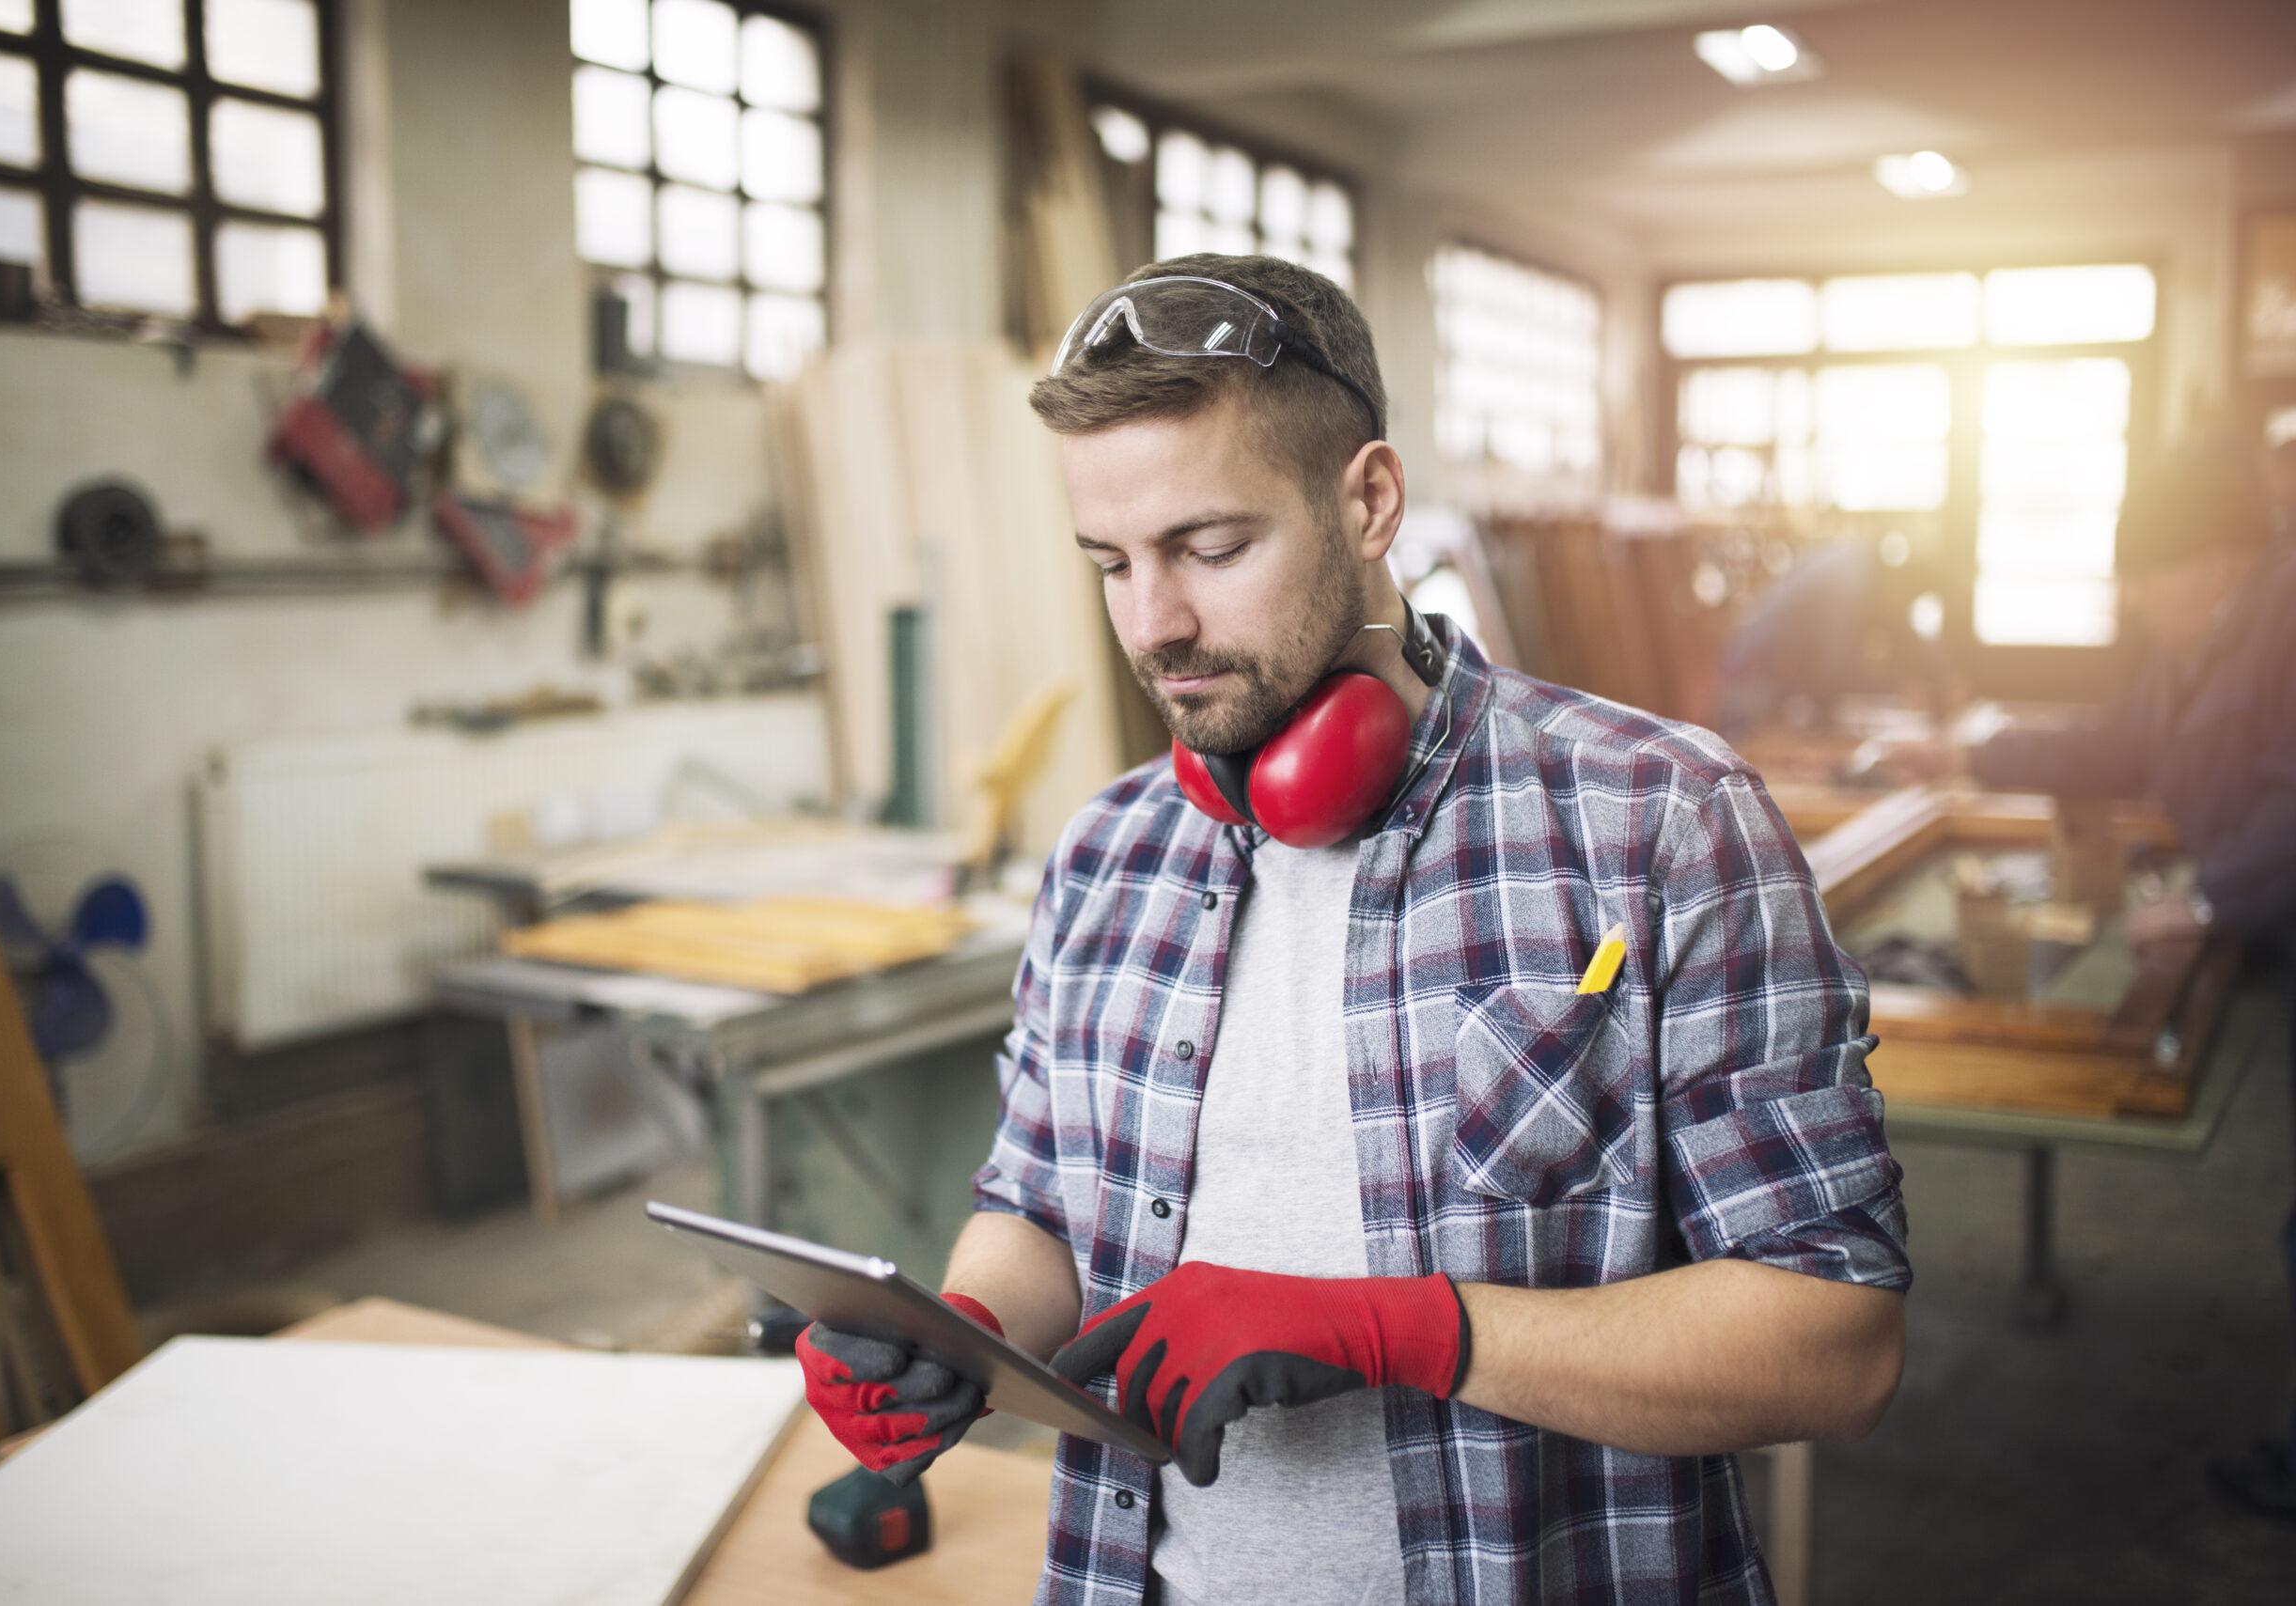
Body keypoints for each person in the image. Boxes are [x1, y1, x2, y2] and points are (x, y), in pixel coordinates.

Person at [796, 256, 1911, 1604]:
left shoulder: (1658, 823)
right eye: (1111, 563)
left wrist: (1401, 1330)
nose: (1155, 624)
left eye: (1211, 549)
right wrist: (960, 1335)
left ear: (1369, 500)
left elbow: (1838, 1343)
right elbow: (1035, 1210)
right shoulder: (1107, 856)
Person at [1949, 444, 2296, 1517]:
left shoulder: (2280, 629)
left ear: (2218, 560)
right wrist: (1970, 754)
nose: (2139, 598)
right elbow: (2115, 740)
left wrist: (2205, 903)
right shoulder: (2200, 644)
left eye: (2153, 574)